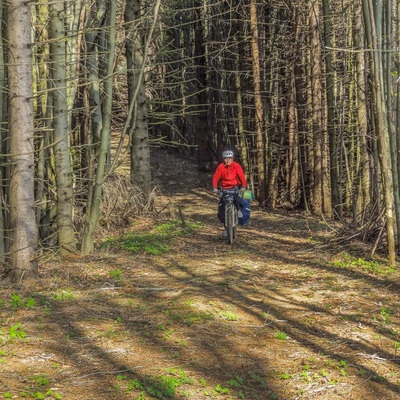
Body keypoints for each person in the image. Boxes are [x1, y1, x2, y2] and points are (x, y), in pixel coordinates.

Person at [212, 149, 247, 236]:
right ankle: (226, 227)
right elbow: (216, 177)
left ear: (232, 158)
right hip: (224, 188)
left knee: (236, 198)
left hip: (234, 186)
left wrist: (244, 186)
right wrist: (215, 188)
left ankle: (238, 210)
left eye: (230, 158)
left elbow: (241, 176)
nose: (228, 160)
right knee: (222, 206)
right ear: (223, 159)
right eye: (226, 158)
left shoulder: (236, 166)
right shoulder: (221, 167)